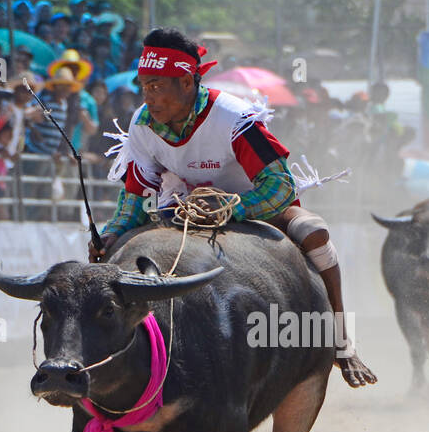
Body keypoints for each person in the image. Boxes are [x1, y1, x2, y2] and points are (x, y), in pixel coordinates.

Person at [90, 27, 376, 388]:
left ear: (186, 82)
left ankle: (340, 341)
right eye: (144, 86)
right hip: (181, 207)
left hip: (254, 204)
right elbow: (136, 194)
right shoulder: (142, 124)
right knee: (116, 252)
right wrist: (113, 232)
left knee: (315, 234)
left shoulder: (232, 117)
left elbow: (279, 186)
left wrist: (231, 208)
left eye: (157, 86)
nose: (149, 97)